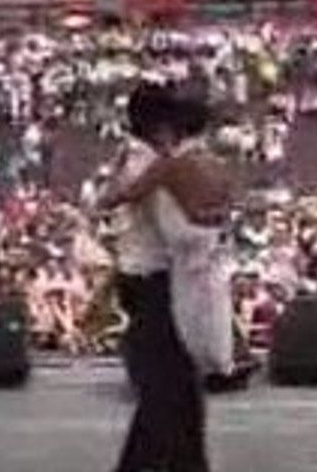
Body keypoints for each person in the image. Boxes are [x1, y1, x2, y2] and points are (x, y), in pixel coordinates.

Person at [100, 87, 235, 472]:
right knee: (172, 388)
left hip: (155, 278)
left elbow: (112, 199)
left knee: (170, 388)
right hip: (157, 281)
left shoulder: (153, 160)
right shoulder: (160, 162)